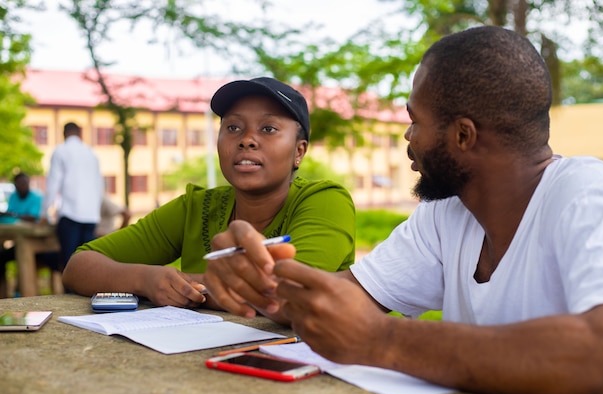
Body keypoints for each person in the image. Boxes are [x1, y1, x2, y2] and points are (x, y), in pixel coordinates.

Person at [203, 27, 603, 394]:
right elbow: (344, 299)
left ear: (463, 135)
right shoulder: (448, 213)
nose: (407, 139)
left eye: (414, 121)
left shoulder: (590, 196)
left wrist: (381, 340)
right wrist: (259, 273)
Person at [62, 77, 356, 313]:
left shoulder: (326, 200)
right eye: (233, 127)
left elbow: (290, 292)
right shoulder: (196, 207)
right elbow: (80, 265)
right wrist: (146, 279)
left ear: (299, 151)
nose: (247, 140)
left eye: (268, 128)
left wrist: (185, 287)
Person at [43, 122, 104, 270]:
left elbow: (53, 184)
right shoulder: (91, 153)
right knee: (88, 266)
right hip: (91, 217)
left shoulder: (61, 151)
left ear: (64, 133)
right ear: (79, 133)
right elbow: (99, 186)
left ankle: (69, 293)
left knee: (70, 265)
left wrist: (44, 213)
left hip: (70, 215)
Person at [0, 173, 58, 297]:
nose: (22, 186)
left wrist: (14, 215)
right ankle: (5, 294)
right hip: (21, 238)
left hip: (42, 244)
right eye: (19, 184)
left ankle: (26, 294)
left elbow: (33, 218)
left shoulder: (37, 197)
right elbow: (11, 214)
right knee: (3, 255)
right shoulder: (14, 197)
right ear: (15, 186)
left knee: (22, 252)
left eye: (24, 183)